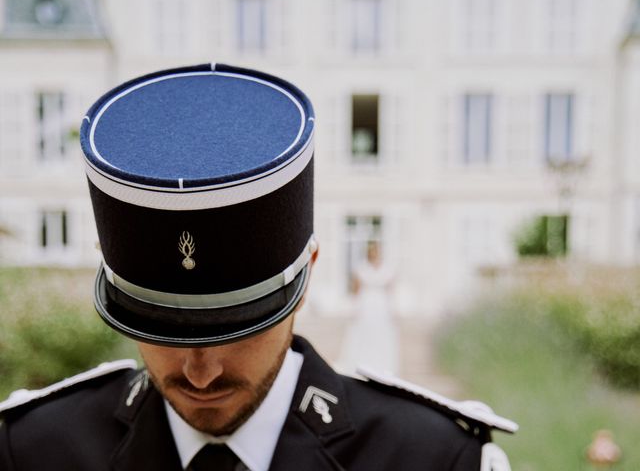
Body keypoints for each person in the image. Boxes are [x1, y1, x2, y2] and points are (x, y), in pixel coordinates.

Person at [0, 63, 516, 470]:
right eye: (163, 329)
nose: (201, 371)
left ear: (307, 274)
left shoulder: (433, 458)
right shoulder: (32, 451)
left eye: (237, 328)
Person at [339, 241, 399, 375]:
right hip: (366, 304)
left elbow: (391, 291)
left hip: (381, 306)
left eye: (376, 251)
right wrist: (354, 308)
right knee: (365, 335)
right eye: (372, 251)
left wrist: (392, 309)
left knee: (380, 335)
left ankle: (381, 366)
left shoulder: (388, 269)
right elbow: (356, 291)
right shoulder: (361, 268)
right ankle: (363, 364)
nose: (374, 253)